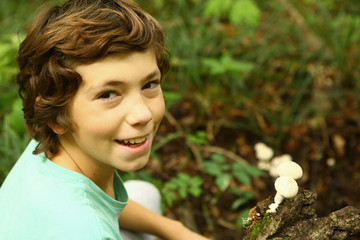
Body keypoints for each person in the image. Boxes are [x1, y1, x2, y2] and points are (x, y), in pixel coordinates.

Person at [0, 0, 209, 239]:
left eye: (149, 84)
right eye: (108, 94)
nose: (143, 114)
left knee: (144, 192)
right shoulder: (87, 230)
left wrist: (176, 231)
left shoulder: (49, 152)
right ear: (56, 116)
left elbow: (101, 200)